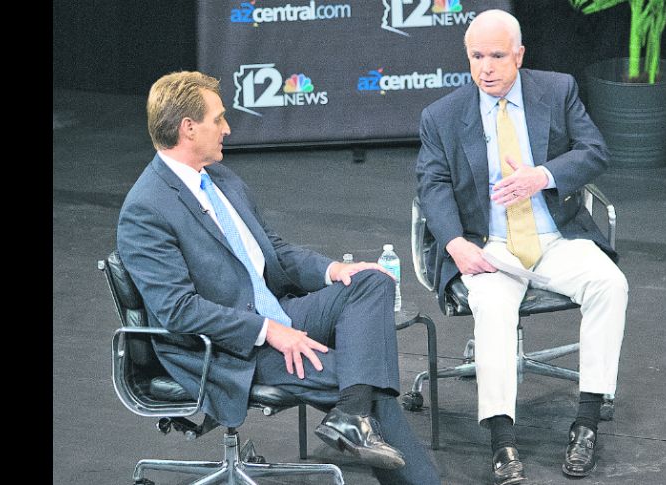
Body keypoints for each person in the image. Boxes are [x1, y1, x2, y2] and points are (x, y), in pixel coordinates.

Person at [117, 70, 440, 485]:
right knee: (364, 378)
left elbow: (273, 251)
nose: (227, 129)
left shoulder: (219, 179)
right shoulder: (146, 209)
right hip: (227, 348)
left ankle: (351, 417)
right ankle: (360, 417)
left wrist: (333, 270)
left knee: (371, 281)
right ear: (188, 128)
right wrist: (268, 330)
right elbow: (178, 311)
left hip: (275, 311)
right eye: (218, 119)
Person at [415, 9, 628, 484]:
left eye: (496, 56)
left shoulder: (556, 89)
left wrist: (542, 176)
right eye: (476, 56)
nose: (485, 67)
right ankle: (502, 441)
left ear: (519, 55)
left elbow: (594, 151)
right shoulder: (442, 115)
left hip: (556, 236)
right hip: (489, 244)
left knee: (610, 285)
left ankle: (587, 423)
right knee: (491, 306)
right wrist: (453, 243)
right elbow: (432, 185)